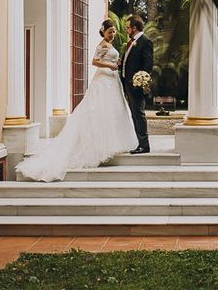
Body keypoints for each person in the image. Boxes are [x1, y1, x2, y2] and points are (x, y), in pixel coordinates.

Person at [15, 19, 138, 182]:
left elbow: (108, 59)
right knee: (99, 110)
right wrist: (110, 66)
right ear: (103, 32)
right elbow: (94, 61)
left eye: (114, 31)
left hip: (111, 81)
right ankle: (99, 146)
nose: (113, 34)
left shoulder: (109, 44)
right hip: (103, 81)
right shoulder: (102, 44)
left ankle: (112, 144)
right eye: (110, 32)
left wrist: (116, 63)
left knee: (112, 112)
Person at [120, 14, 153, 154]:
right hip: (127, 83)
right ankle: (139, 142)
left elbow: (148, 65)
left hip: (136, 85)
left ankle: (144, 145)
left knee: (139, 114)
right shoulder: (132, 41)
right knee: (134, 114)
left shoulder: (145, 41)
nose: (126, 30)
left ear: (134, 28)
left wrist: (140, 81)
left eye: (127, 27)